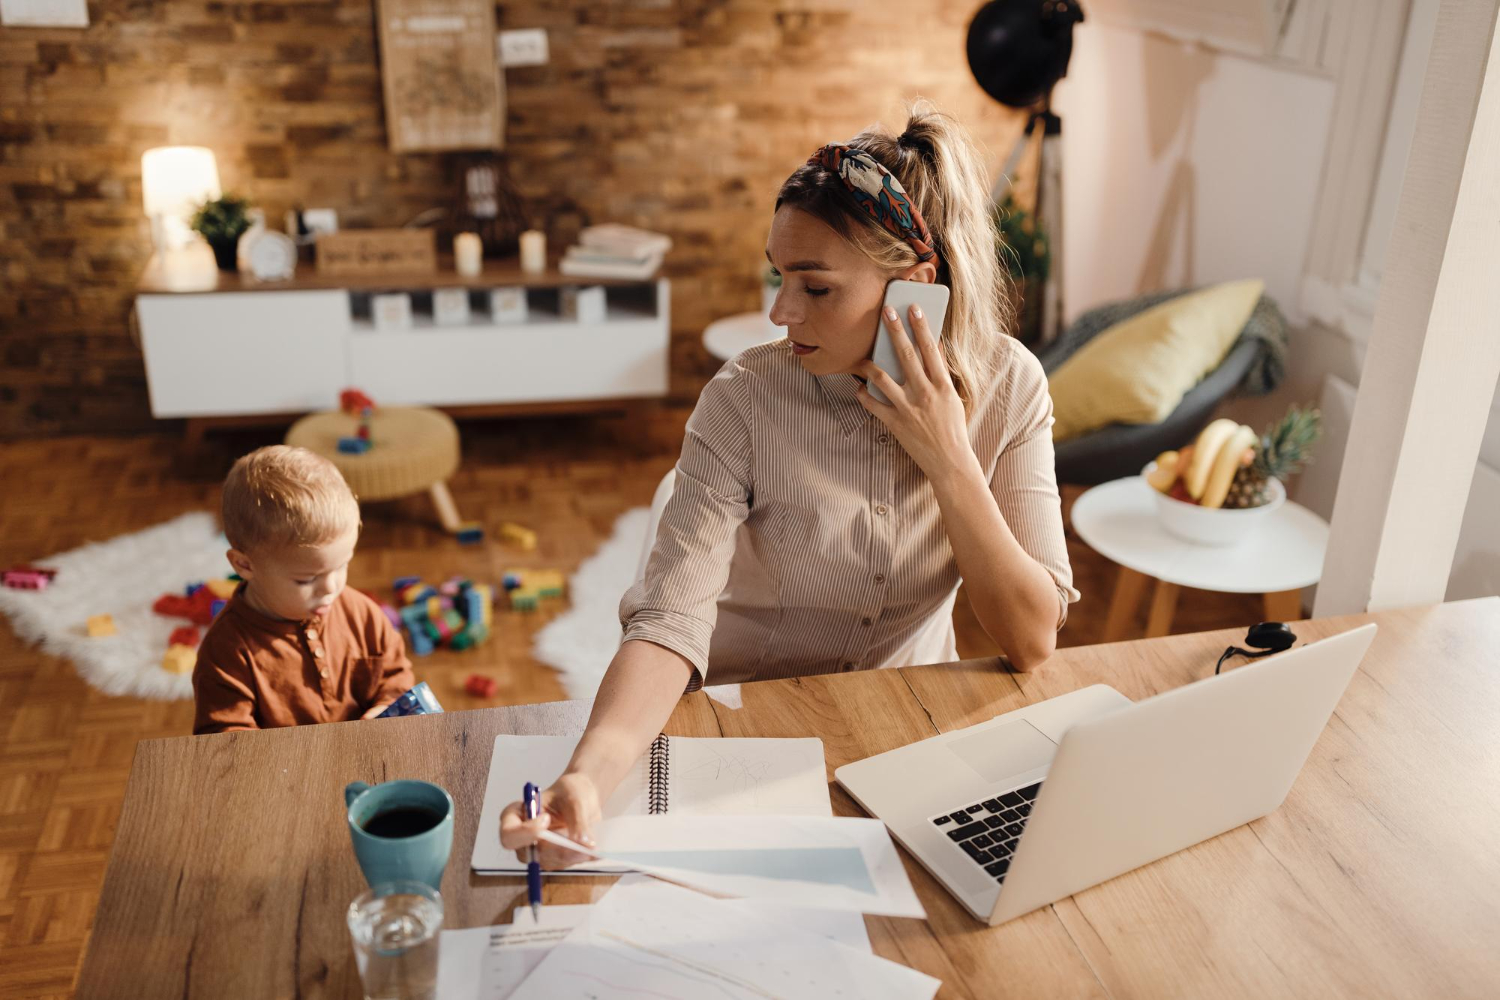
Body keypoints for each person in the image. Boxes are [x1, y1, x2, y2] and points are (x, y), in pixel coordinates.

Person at [501, 102, 1079, 866]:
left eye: (816, 288)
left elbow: (1031, 639)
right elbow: (669, 624)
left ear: (917, 287)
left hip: (903, 731)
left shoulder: (1011, 388)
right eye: (780, 278)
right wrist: (587, 775)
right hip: (745, 724)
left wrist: (947, 454)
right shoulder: (742, 398)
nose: (780, 311)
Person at [192, 445, 414, 734]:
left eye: (340, 566)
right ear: (244, 565)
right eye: (306, 580)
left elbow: (395, 677)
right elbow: (223, 741)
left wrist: (385, 709)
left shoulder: (361, 613)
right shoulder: (227, 652)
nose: (331, 588)